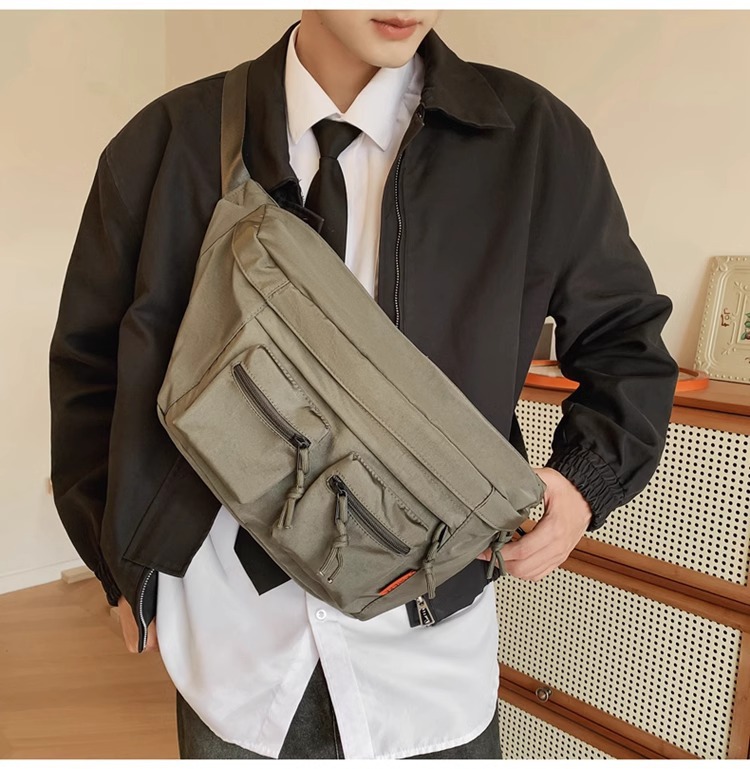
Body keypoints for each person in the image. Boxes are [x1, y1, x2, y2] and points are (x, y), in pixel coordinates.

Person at [49, 10, 679, 760]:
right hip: (230, 645)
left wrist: (583, 484)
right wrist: (120, 564)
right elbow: (90, 368)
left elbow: (626, 343)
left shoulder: (532, 141)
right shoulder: (164, 143)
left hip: (429, 654)